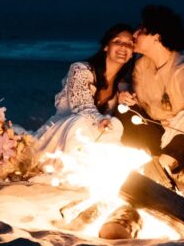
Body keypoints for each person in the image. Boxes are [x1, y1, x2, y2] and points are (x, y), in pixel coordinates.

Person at [116, 4, 184, 185]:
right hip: (156, 133)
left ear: (157, 36)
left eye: (142, 30)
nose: (135, 34)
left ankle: (161, 167)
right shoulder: (142, 65)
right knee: (124, 111)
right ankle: (146, 164)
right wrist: (124, 96)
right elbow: (128, 88)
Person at [33, 23, 136, 157]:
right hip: (60, 136)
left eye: (129, 44)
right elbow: (81, 106)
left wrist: (124, 104)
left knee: (116, 126)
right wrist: (100, 120)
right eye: (117, 41)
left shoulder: (122, 87)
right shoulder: (81, 69)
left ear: (132, 54)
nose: (123, 46)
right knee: (81, 121)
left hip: (92, 140)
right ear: (106, 47)